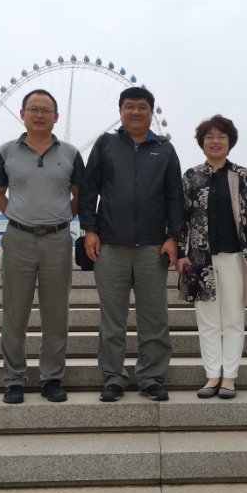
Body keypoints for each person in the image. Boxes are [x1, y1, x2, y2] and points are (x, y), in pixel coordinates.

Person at [79, 87, 186, 402]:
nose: (136, 112)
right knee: (112, 319)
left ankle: (151, 378)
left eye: (142, 107)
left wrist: (173, 237)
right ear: (120, 111)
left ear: (151, 113)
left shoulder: (165, 149)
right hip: (110, 246)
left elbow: (175, 198)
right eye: (129, 107)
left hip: (153, 248)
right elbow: (89, 190)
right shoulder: (105, 144)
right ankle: (113, 377)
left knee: (155, 318)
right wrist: (89, 229)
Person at [0, 89, 85, 405]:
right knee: (14, 312)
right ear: (23, 114)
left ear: (56, 117)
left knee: (56, 313)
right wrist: (19, 216)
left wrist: (60, 218)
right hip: (18, 239)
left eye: (46, 110)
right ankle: (14, 380)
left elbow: (79, 195)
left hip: (58, 240)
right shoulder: (5, 152)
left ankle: (52, 378)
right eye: (34, 109)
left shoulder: (71, 154)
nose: (40, 115)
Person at [177, 115, 247, 399]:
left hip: (235, 256)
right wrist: (181, 254)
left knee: (234, 318)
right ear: (202, 143)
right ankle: (212, 375)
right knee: (208, 320)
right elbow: (181, 218)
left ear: (230, 142)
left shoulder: (241, 175)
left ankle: (230, 377)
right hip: (200, 260)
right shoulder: (191, 176)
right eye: (210, 137)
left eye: (221, 137)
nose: (215, 141)